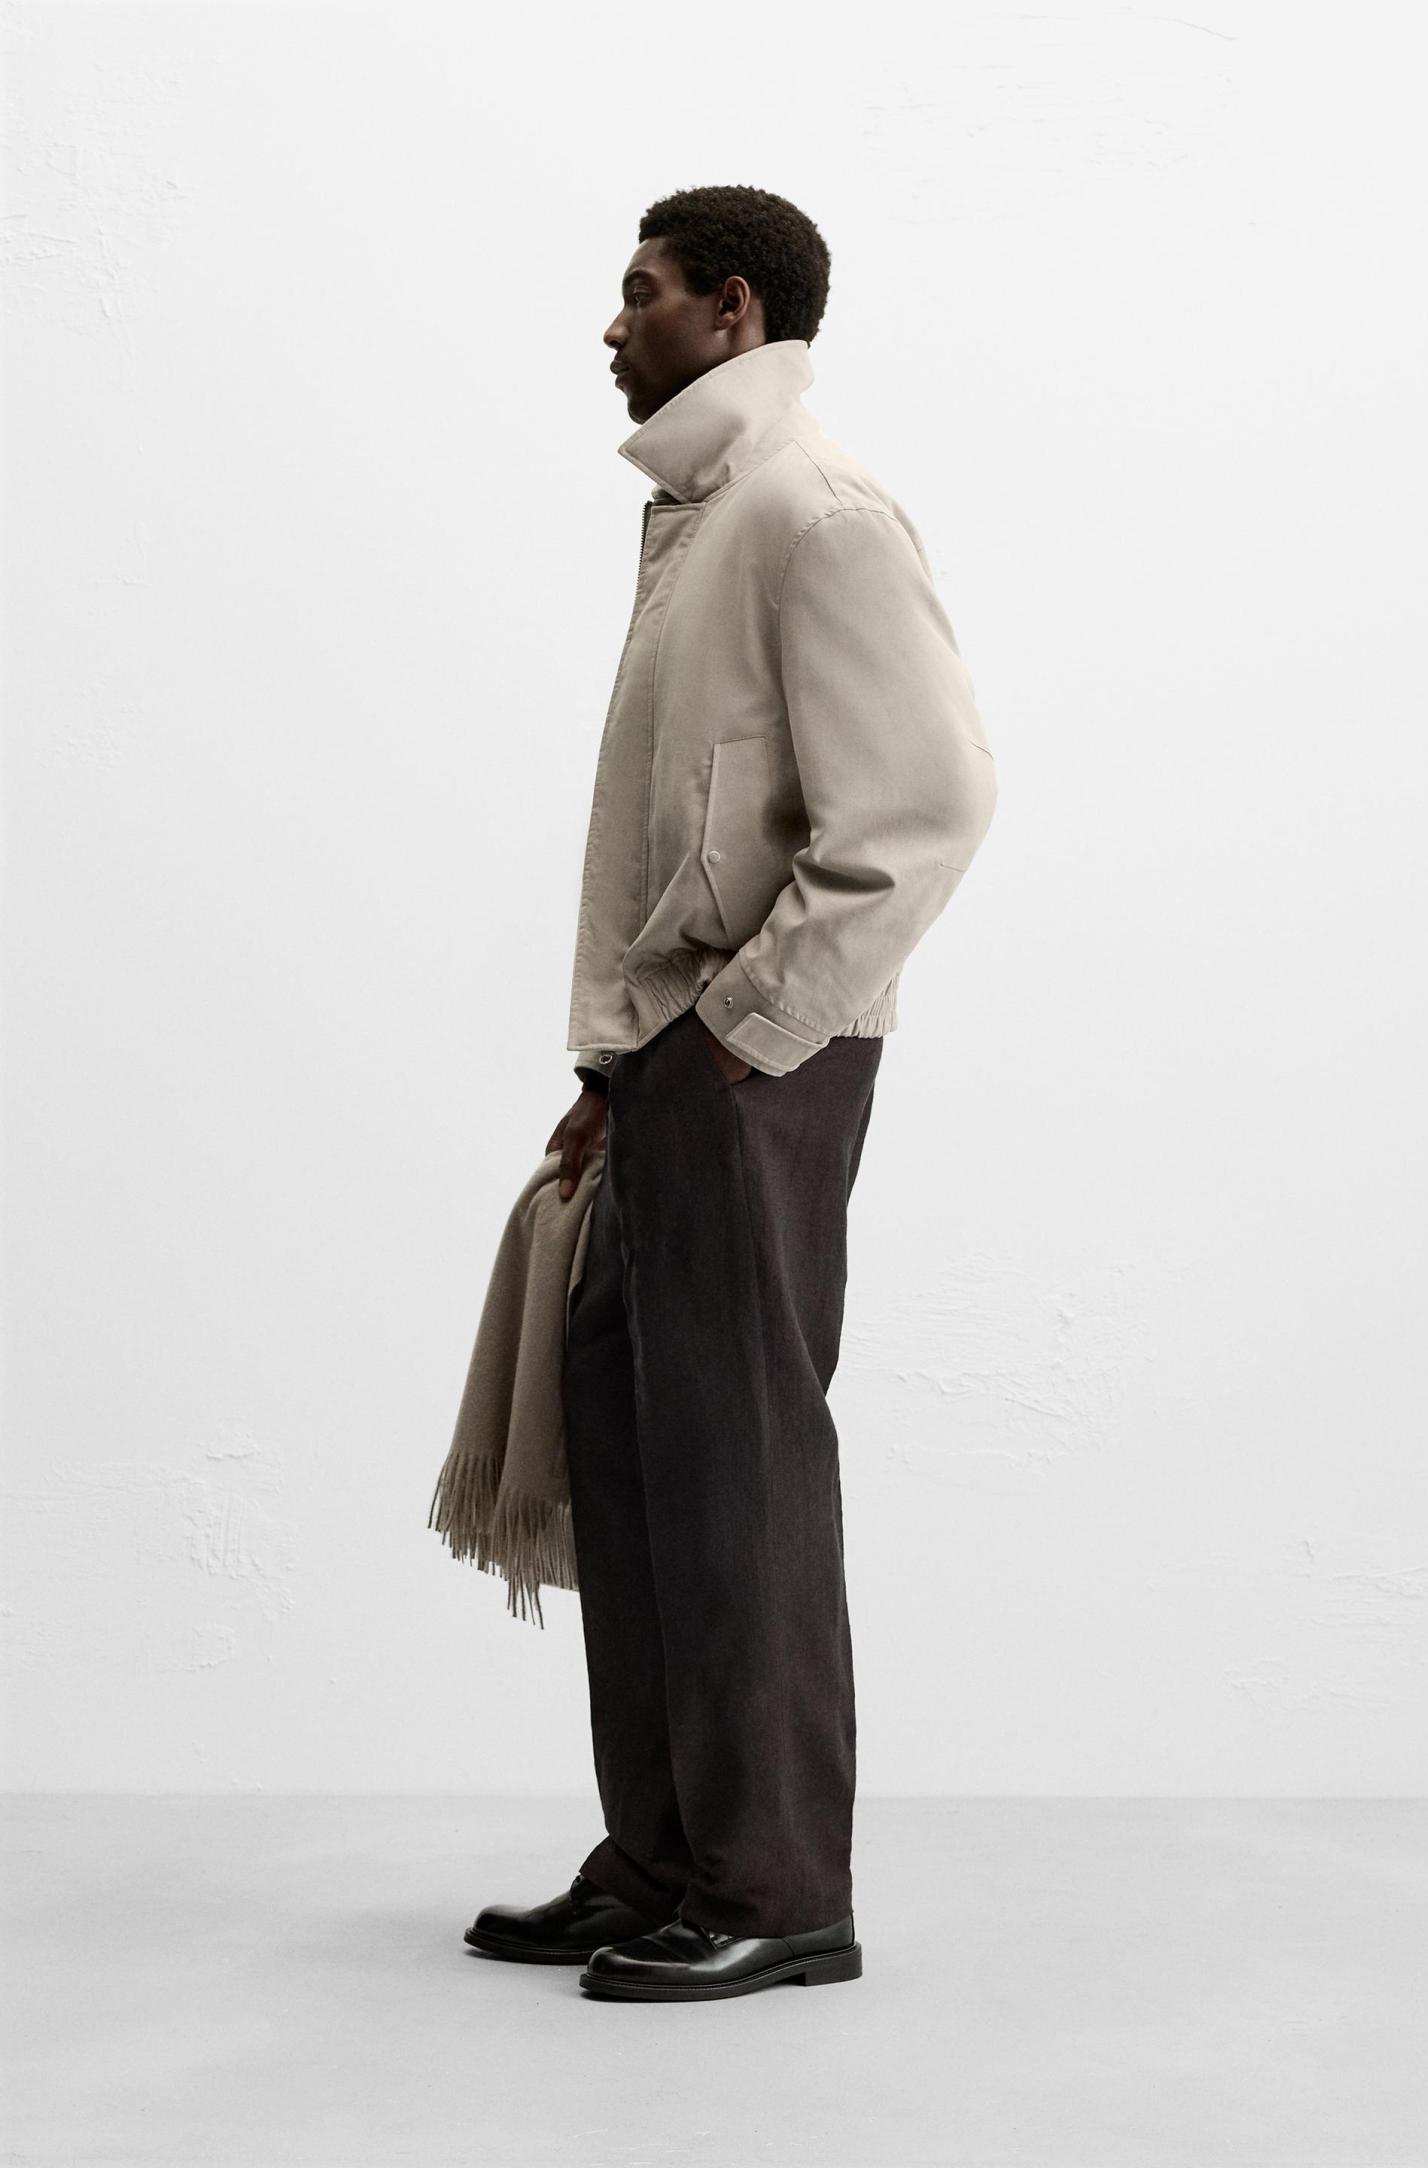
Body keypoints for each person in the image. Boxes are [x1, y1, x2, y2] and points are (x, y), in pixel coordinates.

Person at [465, 184, 999, 2003]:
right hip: (669, 1065)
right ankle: (664, 1859)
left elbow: (923, 808)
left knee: (737, 1463)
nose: (611, 324)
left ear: (734, 309)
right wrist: (620, 1071)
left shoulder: (810, 510)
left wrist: (734, 1035)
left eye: (642, 291)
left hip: (755, 1062)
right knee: (635, 1458)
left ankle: (775, 1888)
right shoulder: (705, 515)